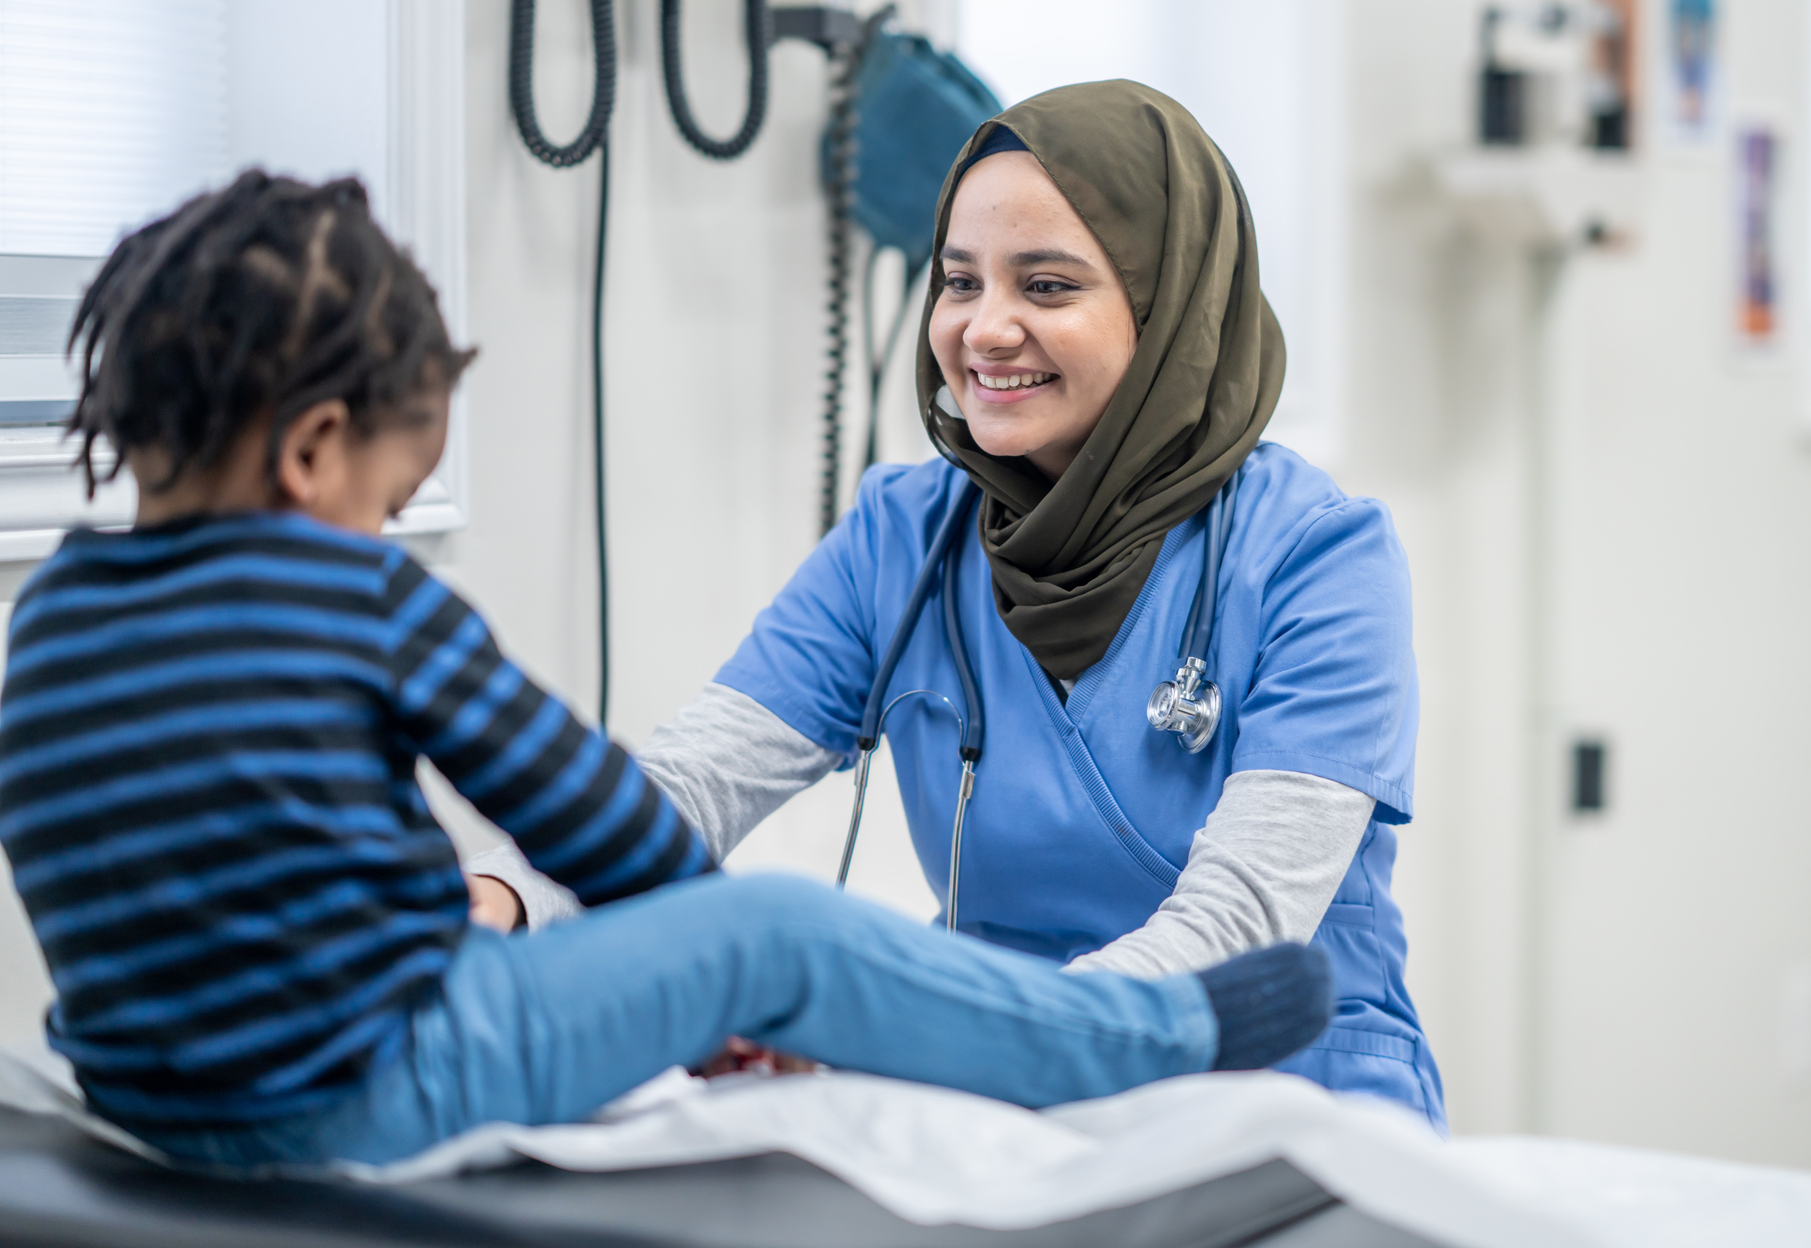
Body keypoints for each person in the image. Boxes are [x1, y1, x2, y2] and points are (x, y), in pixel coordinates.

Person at [0, 171, 1335, 1170]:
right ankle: (1160, 1035)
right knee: (780, 928)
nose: (381, 533)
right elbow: (588, 808)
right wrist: (718, 967)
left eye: (1044, 285)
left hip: (145, 1094)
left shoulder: (54, 612)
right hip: (376, 1078)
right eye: (387, 498)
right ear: (312, 450)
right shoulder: (358, 597)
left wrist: (524, 923)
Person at [474, 82, 1447, 1128]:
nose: (984, 329)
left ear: (1168, 308)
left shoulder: (1318, 558)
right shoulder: (905, 533)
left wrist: (906, 1031)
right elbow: (689, 783)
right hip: (993, 1113)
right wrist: (500, 900)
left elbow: (1238, 924)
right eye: (958, 281)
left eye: (1047, 285)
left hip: (1276, 1100)